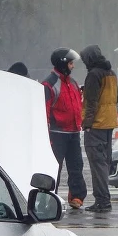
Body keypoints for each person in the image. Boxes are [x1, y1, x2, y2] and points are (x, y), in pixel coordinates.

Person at [42, 48, 86, 210]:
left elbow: (77, 105)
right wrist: (46, 134)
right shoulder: (49, 84)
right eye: (71, 63)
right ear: (62, 64)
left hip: (73, 133)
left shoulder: (72, 83)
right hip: (57, 134)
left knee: (76, 166)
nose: (73, 66)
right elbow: (44, 110)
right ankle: (49, 198)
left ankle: (76, 196)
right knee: (55, 168)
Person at [80, 45, 118, 213]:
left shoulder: (93, 75)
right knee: (104, 162)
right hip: (109, 123)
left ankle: (102, 201)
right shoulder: (111, 74)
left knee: (97, 165)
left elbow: (92, 102)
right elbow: (114, 98)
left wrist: (87, 124)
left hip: (96, 124)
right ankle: (104, 199)